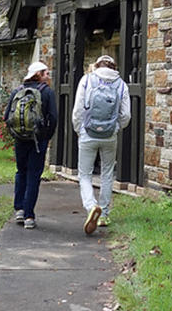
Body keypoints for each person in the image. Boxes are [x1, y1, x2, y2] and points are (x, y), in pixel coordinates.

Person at [72, 55, 130, 235]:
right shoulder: (121, 84)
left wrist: (79, 129)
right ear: (114, 67)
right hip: (110, 135)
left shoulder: (87, 80)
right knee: (106, 173)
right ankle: (103, 214)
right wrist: (116, 128)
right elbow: (126, 115)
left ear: (96, 66)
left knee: (85, 175)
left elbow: (78, 109)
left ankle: (91, 206)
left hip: (87, 133)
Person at [4, 61, 57, 229]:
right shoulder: (47, 92)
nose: (48, 76)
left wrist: (16, 134)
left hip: (20, 139)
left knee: (21, 172)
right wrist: (46, 136)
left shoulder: (17, 91)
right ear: (38, 75)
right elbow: (53, 118)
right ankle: (29, 216)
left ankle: (19, 208)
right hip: (38, 140)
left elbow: (7, 117)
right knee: (34, 175)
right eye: (46, 73)